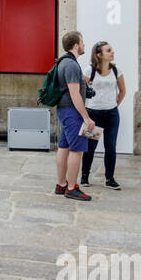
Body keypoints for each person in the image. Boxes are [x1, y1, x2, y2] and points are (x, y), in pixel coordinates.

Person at [53, 31, 95, 202]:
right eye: (82, 43)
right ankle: (72, 188)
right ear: (76, 45)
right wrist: (86, 117)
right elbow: (75, 94)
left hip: (65, 111)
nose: (84, 45)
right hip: (72, 112)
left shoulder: (64, 62)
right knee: (76, 150)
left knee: (64, 147)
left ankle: (61, 184)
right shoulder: (71, 65)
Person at [81, 41, 125, 190]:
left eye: (111, 50)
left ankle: (110, 178)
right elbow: (81, 92)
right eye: (108, 51)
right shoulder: (89, 71)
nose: (112, 52)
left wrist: (113, 105)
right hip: (93, 113)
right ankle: (85, 176)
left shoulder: (116, 70)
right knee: (90, 146)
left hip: (112, 114)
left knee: (111, 147)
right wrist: (85, 113)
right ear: (99, 55)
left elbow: (122, 91)